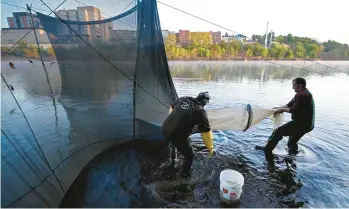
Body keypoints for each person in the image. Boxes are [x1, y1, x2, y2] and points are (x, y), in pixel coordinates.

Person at [162, 92, 214, 176]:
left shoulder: (183, 99)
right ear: (205, 102)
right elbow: (206, 132)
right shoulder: (200, 111)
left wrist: (173, 125)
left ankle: (173, 160)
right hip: (177, 135)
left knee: (173, 140)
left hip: (165, 128)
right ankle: (185, 176)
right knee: (190, 155)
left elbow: (172, 108)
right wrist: (210, 149)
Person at [257, 77, 315, 154]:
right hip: (308, 125)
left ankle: (267, 149)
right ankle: (293, 156)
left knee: (278, 132)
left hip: (300, 124)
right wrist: (279, 108)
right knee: (292, 142)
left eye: (294, 85)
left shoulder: (302, 95)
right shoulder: (304, 93)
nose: (292, 87)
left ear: (300, 85)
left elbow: (294, 110)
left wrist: (282, 110)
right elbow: (290, 104)